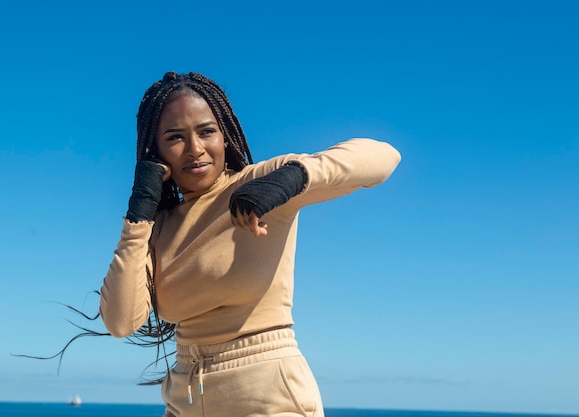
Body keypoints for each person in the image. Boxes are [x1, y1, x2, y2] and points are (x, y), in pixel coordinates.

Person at [100, 71, 401, 417]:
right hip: (184, 401)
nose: (195, 149)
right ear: (157, 152)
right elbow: (120, 321)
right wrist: (140, 210)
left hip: (269, 399)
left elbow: (384, 157)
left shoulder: (258, 184)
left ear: (224, 136)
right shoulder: (158, 226)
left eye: (206, 131)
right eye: (175, 138)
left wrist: (292, 178)